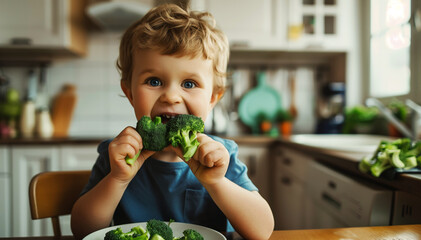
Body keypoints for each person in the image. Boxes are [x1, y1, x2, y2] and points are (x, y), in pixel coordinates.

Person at [71, 3, 274, 240]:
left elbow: (262, 232)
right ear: (130, 93)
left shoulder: (222, 157)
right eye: (154, 81)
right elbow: (83, 231)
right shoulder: (115, 154)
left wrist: (217, 182)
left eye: (189, 84)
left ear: (212, 98)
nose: (171, 96)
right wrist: (117, 178)